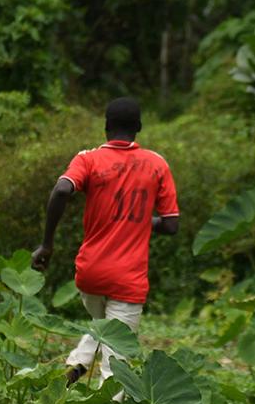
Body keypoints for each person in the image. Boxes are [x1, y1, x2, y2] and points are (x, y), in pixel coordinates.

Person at [32, 97, 179, 383]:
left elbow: (62, 189)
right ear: (138, 127)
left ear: (106, 127)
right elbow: (172, 225)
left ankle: (76, 364)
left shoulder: (88, 158)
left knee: (104, 327)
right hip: (127, 279)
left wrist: (47, 243)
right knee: (116, 364)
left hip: (90, 275)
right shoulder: (157, 164)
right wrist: (139, 222)